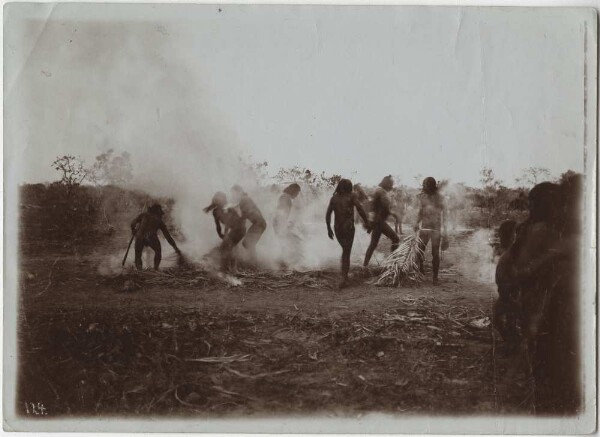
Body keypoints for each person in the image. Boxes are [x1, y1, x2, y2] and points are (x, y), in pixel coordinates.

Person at [326, 179, 370, 288]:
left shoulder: (334, 198)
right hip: (348, 228)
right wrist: (367, 222)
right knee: (346, 252)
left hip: (337, 229)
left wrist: (329, 229)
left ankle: (344, 277)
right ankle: (344, 278)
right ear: (349, 187)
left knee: (345, 250)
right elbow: (360, 209)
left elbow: (328, 215)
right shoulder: (352, 196)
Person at [414, 177, 447, 285]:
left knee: (435, 253)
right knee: (419, 251)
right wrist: (416, 222)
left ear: (431, 186)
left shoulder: (440, 198)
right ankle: (421, 270)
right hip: (424, 227)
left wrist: (445, 233)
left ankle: (435, 278)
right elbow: (420, 211)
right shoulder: (423, 197)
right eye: (423, 185)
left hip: (436, 229)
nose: (423, 187)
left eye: (425, 185)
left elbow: (445, 215)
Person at [203, 192, 246, 271]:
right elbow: (218, 225)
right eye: (217, 200)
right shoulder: (215, 212)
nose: (219, 202)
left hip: (240, 229)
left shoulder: (228, 208)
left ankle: (228, 268)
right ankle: (229, 268)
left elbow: (228, 222)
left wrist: (226, 235)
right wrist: (220, 234)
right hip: (234, 230)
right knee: (227, 247)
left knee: (225, 247)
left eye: (220, 200)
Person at [363, 175, 400, 267]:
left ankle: (365, 265)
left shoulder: (382, 191)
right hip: (378, 222)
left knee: (373, 244)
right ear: (387, 183)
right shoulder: (380, 191)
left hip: (379, 221)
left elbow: (383, 207)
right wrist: (371, 221)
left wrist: (392, 213)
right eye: (391, 183)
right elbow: (375, 206)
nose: (392, 184)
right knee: (395, 239)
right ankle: (393, 262)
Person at [130, 204, 181, 270]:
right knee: (158, 251)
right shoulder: (159, 221)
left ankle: (139, 270)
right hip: (151, 237)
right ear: (157, 213)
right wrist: (176, 248)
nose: (161, 216)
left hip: (139, 237)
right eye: (160, 214)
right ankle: (155, 268)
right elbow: (168, 237)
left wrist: (133, 231)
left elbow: (132, 223)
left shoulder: (144, 215)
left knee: (138, 255)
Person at [231, 185, 267, 263]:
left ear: (239, 192)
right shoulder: (244, 199)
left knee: (248, 243)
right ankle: (253, 262)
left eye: (234, 193)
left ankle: (254, 263)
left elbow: (245, 214)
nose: (233, 196)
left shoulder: (244, 200)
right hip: (258, 223)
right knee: (247, 243)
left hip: (259, 224)